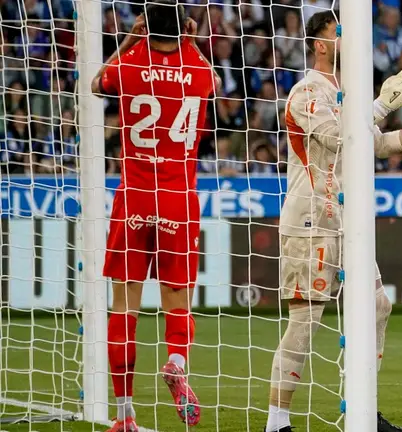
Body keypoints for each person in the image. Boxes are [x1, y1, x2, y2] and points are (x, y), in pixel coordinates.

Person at [266, 11, 402, 432]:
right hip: (312, 220)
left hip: (347, 219)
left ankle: (363, 411)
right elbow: (341, 138)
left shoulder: (345, 94)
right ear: (321, 45)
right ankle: (278, 421)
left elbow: (375, 144)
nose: (351, 41)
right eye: (340, 33)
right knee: (306, 318)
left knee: (378, 305)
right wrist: (379, 105)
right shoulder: (308, 91)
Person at [92, 2, 219, 431]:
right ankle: (177, 360)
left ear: (145, 25)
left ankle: (125, 415)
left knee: (125, 307)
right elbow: (215, 82)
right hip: (179, 200)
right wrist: (193, 40)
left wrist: (130, 39)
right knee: (176, 298)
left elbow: (95, 83)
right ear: (184, 26)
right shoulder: (197, 69)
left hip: (135, 199)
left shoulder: (128, 64)